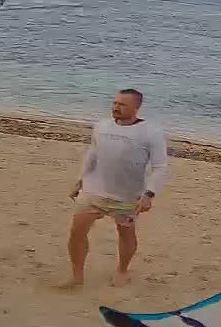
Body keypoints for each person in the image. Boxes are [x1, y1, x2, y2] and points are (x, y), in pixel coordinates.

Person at [57, 88, 168, 289]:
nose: (116, 107)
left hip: (127, 197)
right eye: (115, 103)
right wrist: (80, 179)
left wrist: (149, 194)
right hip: (93, 190)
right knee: (77, 231)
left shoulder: (151, 132)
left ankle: (122, 270)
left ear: (136, 107)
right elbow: (92, 154)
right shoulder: (102, 126)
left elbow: (159, 167)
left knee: (125, 234)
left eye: (122, 104)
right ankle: (77, 275)